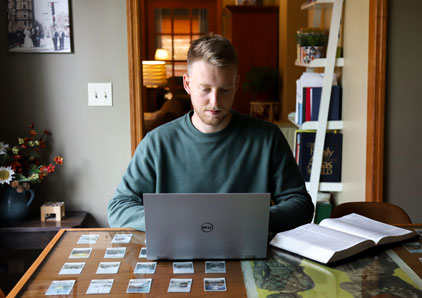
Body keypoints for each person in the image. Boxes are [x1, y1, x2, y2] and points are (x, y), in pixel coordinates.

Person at [107, 34, 314, 233]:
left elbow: (301, 205)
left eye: (224, 90)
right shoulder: (156, 143)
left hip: (247, 255)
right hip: (174, 255)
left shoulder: (267, 138)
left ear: (236, 84)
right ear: (187, 84)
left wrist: (251, 220)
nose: (215, 102)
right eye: (205, 89)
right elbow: (119, 208)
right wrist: (178, 221)